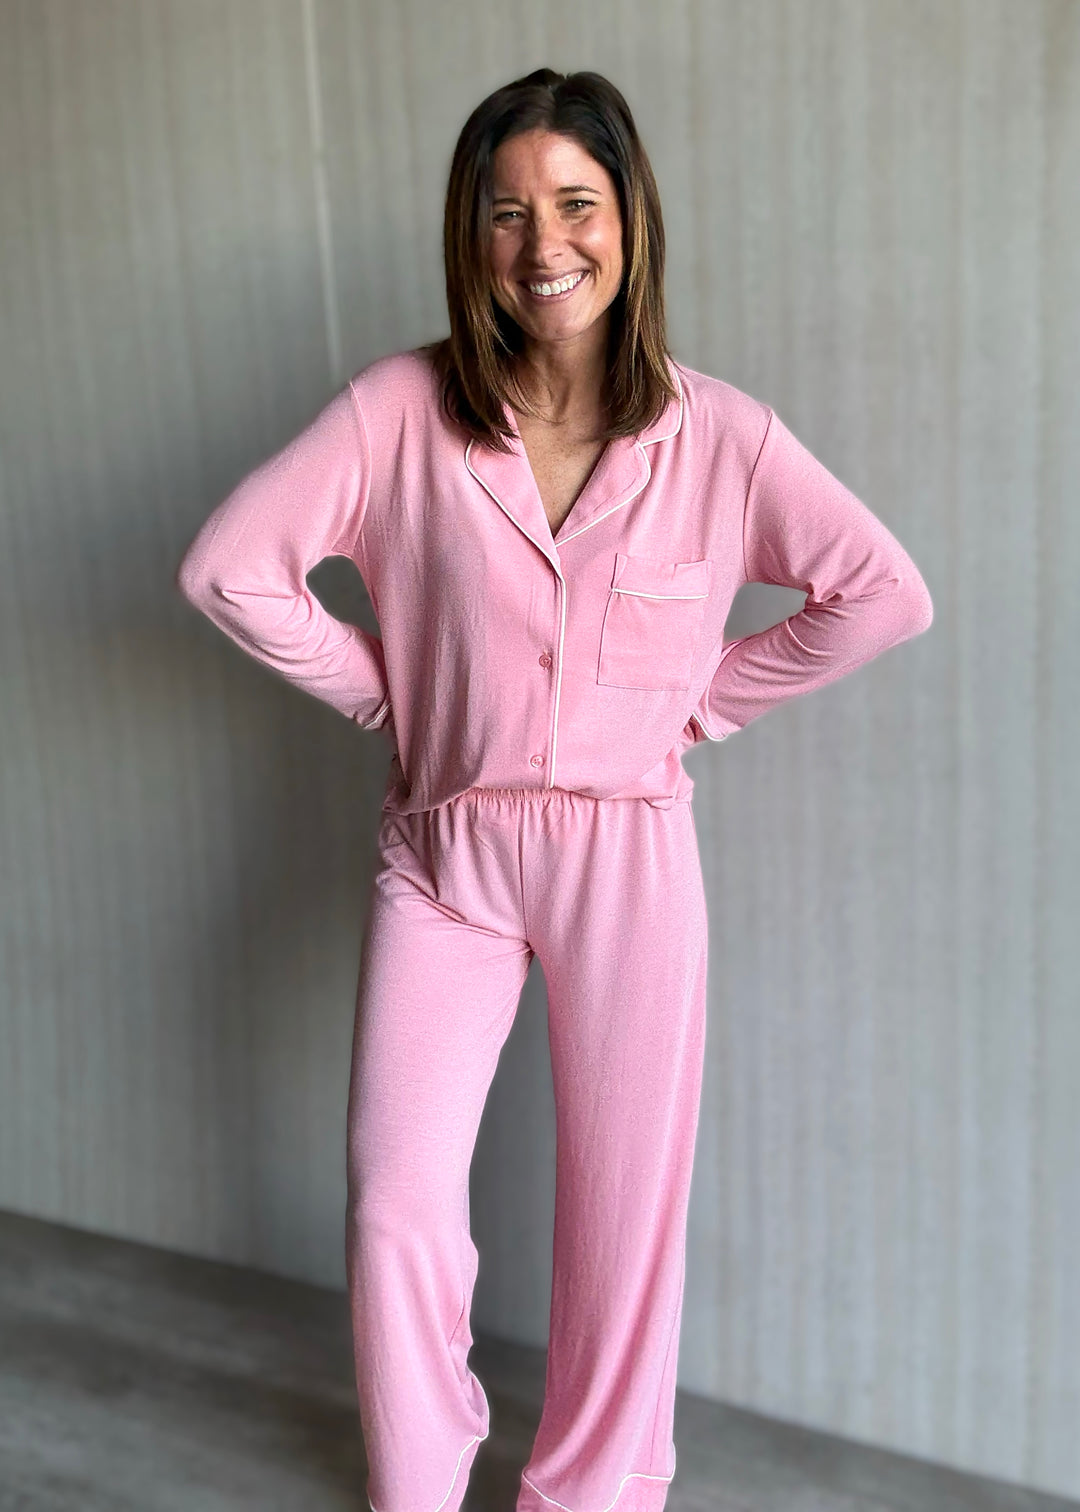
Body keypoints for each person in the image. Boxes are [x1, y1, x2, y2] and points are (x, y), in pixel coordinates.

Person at [176, 66, 933, 1512]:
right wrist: (387, 692)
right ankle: (417, 1483)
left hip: (628, 861)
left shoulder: (720, 438)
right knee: (395, 1198)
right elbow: (230, 568)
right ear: (471, 237)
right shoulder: (400, 410)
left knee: (622, 1222)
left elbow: (882, 593)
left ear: (629, 219)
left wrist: (703, 701)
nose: (543, 245)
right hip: (443, 856)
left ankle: (592, 1497)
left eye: (575, 204)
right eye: (507, 213)